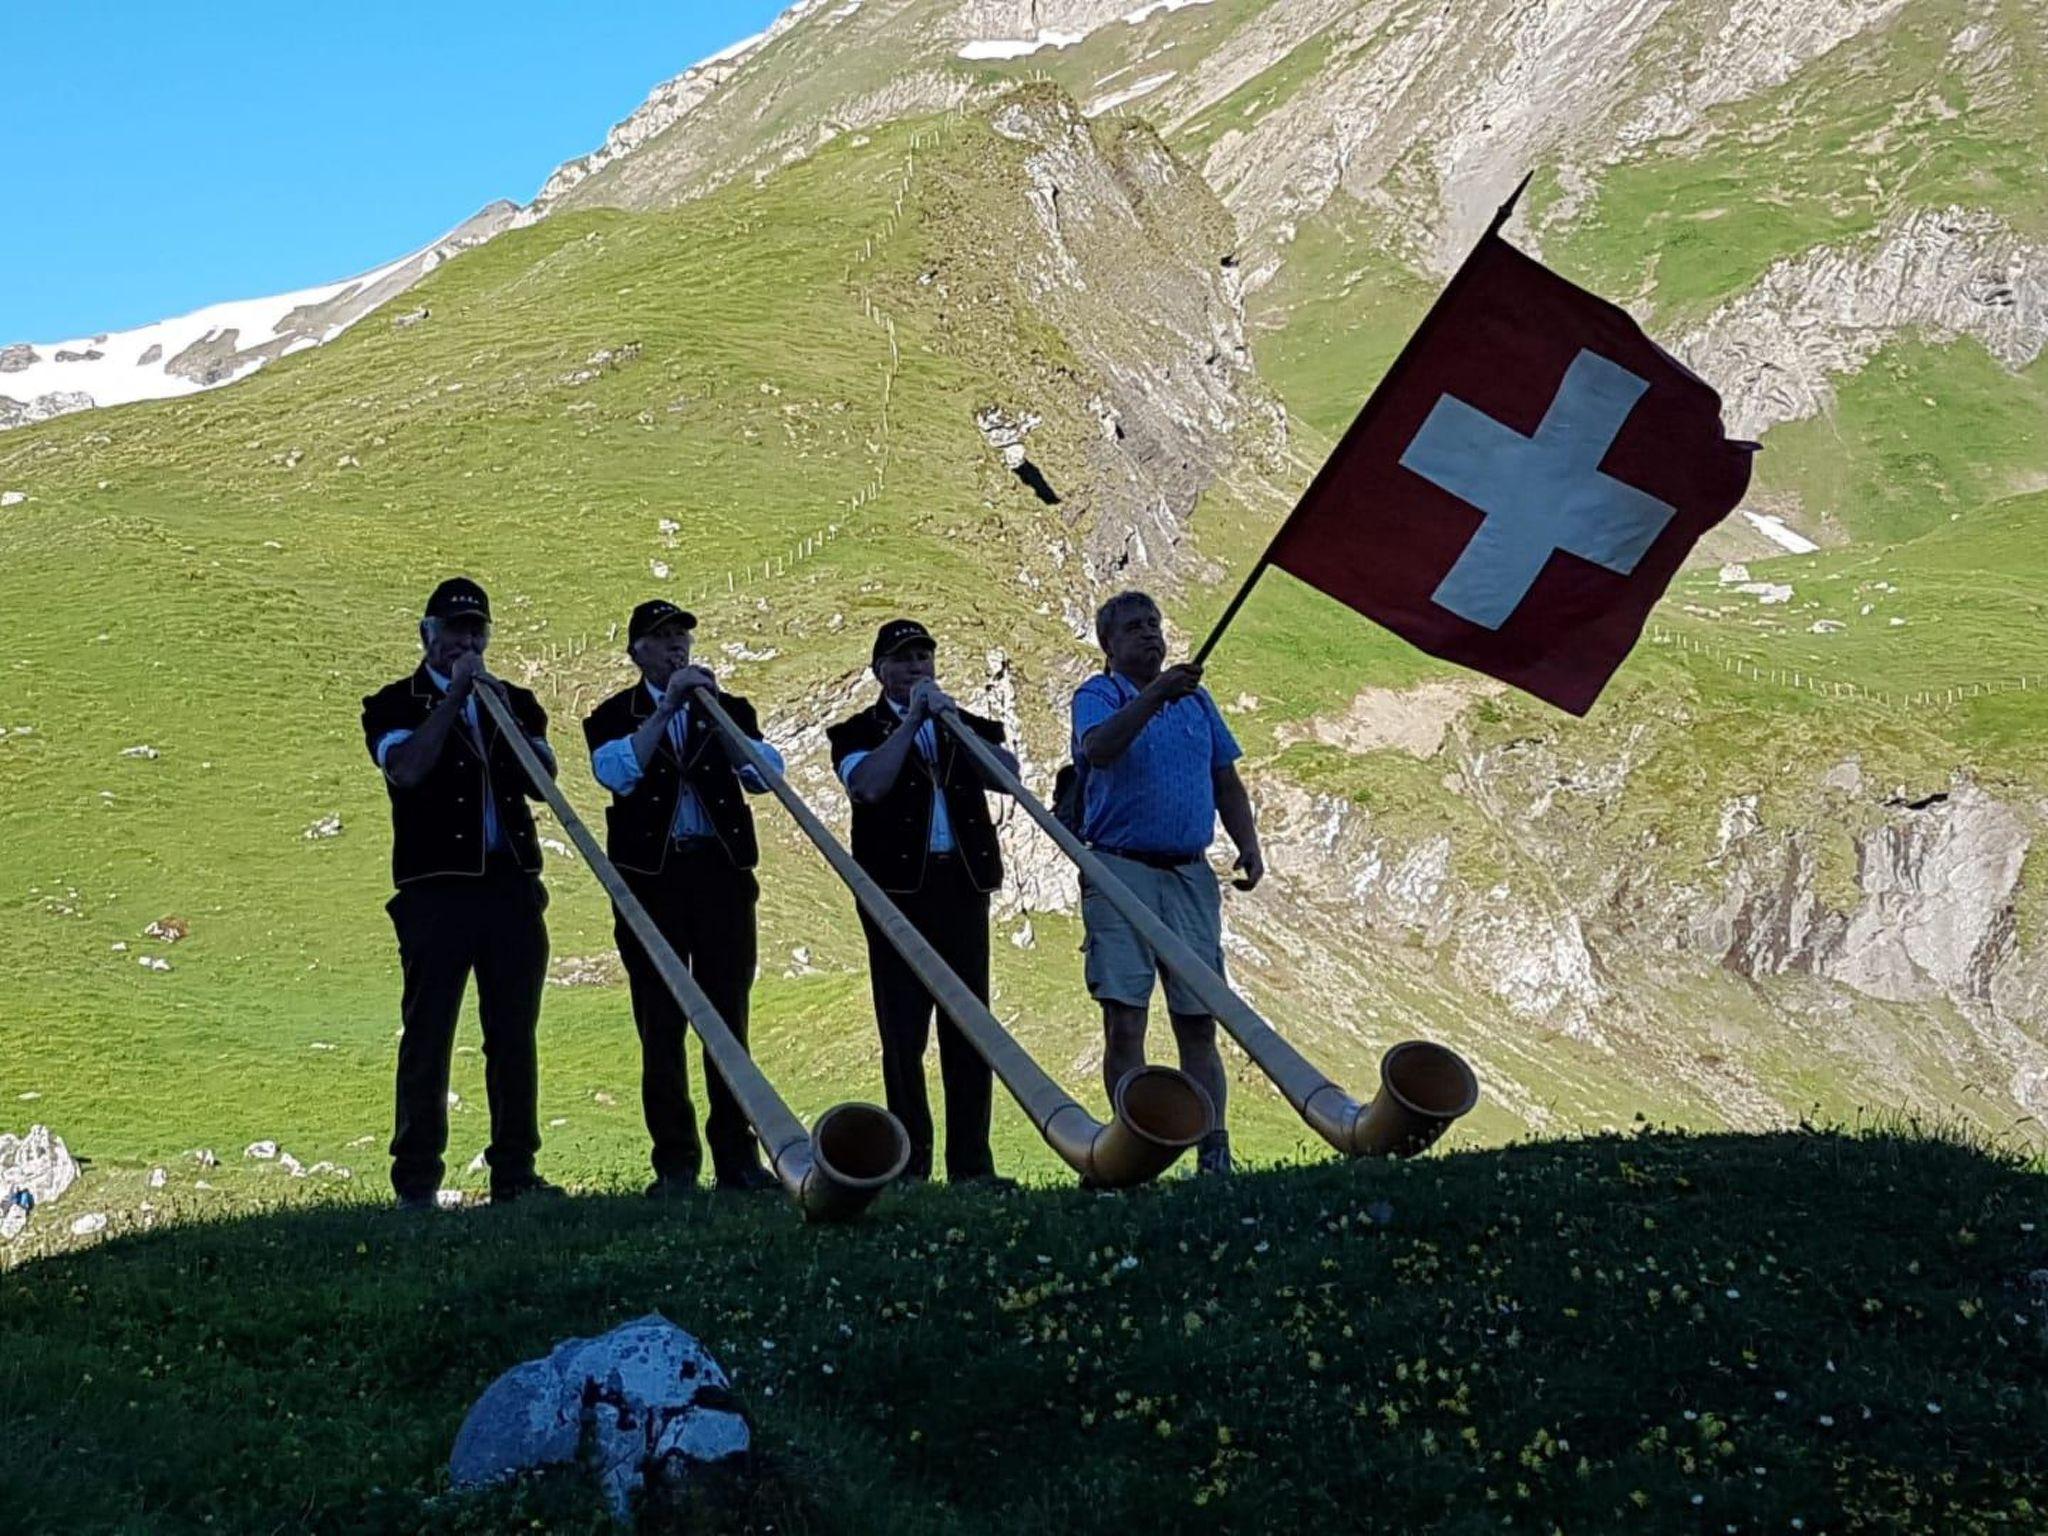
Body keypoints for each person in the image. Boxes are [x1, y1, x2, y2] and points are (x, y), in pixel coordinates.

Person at [361, 576, 562, 1210]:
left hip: (510, 887)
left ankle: (515, 1170)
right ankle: (416, 1178)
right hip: (436, 893)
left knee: (513, 1032)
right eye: (455, 632)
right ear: (428, 637)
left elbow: (543, 781)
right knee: (429, 1033)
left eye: (477, 631)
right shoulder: (392, 703)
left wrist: (496, 707)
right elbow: (408, 769)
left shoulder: (517, 702)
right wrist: (452, 701)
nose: (466, 643)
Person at [583, 599, 782, 1196]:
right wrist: (666, 706)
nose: (677, 648)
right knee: (660, 1023)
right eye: (663, 639)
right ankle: (674, 1163)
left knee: (729, 1019)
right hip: (651, 885)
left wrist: (714, 714)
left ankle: (737, 1161)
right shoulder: (613, 714)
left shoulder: (729, 709)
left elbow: (765, 775)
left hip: (721, 880)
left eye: (682, 639)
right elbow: (617, 773)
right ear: (636, 652)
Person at [1070, 590, 1264, 1175]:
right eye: (1133, 628)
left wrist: (1248, 843)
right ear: (1109, 644)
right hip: (1119, 868)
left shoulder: (1196, 702)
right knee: (1125, 1015)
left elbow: (1225, 779)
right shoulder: (1099, 694)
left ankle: (1214, 1150)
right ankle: (1137, 1148)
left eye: (1153, 625)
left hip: (1188, 873)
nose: (1150, 635)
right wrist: (1155, 693)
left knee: (1197, 1017)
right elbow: (1098, 748)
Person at [827, 619, 1020, 1186]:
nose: (918, 669)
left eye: (925, 658)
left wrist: (952, 724)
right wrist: (912, 721)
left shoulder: (962, 725)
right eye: (906, 660)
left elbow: (1008, 781)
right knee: (904, 1032)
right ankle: (910, 1165)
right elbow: (867, 787)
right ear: (880, 671)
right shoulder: (856, 731)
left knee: (969, 1027)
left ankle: (971, 1166)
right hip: (896, 896)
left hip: (962, 887)